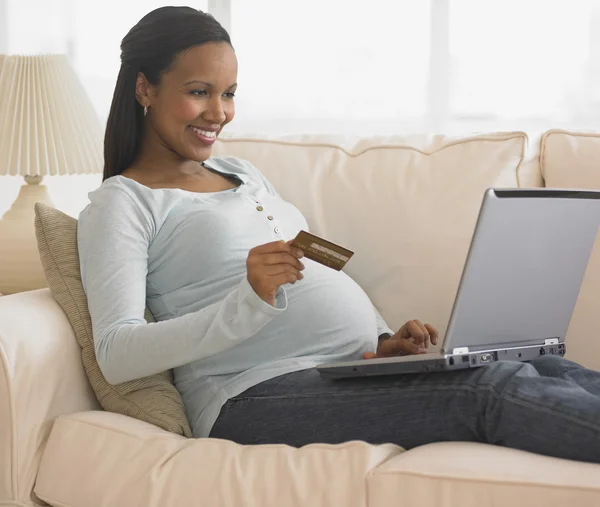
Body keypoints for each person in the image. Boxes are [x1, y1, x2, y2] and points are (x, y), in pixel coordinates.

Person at [78, 6, 600, 463]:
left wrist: (381, 343)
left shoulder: (243, 172)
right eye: (199, 93)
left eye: (229, 93)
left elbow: (319, 266)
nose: (219, 113)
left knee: (545, 367)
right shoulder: (122, 202)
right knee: (490, 389)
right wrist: (248, 299)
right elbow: (118, 351)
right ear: (145, 88)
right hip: (252, 396)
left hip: (345, 372)